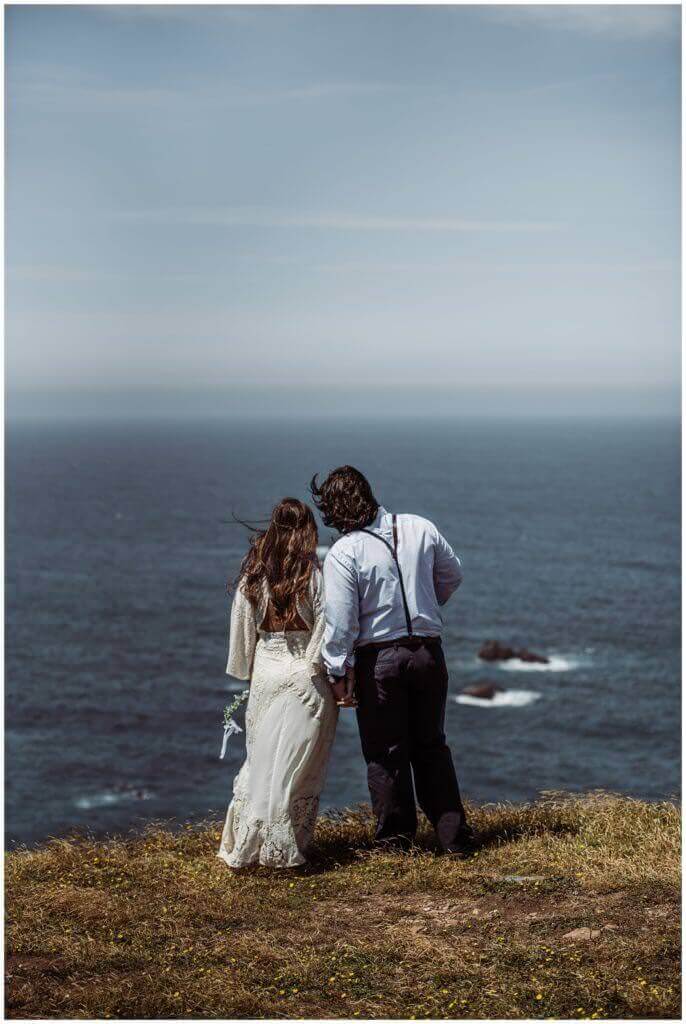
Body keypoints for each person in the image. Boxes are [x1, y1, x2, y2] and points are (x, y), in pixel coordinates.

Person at [310, 466, 472, 855]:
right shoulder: (420, 527)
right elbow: (452, 576)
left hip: (380, 659)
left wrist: (337, 670)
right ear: (368, 493)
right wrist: (425, 604)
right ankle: (453, 837)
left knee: (386, 751)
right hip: (428, 653)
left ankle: (396, 842)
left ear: (334, 508)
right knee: (432, 744)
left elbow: (342, 622)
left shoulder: (344, 552)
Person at [216, 498, 341, 869]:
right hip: (307, 675)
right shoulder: (313, 576)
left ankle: (250, 846)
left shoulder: (252, 577)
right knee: (299, 766)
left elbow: (241, 639)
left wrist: (247, 666)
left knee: (262, 762)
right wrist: (318, 667)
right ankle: (286, 847)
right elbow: (326, 626)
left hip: (267, 673)